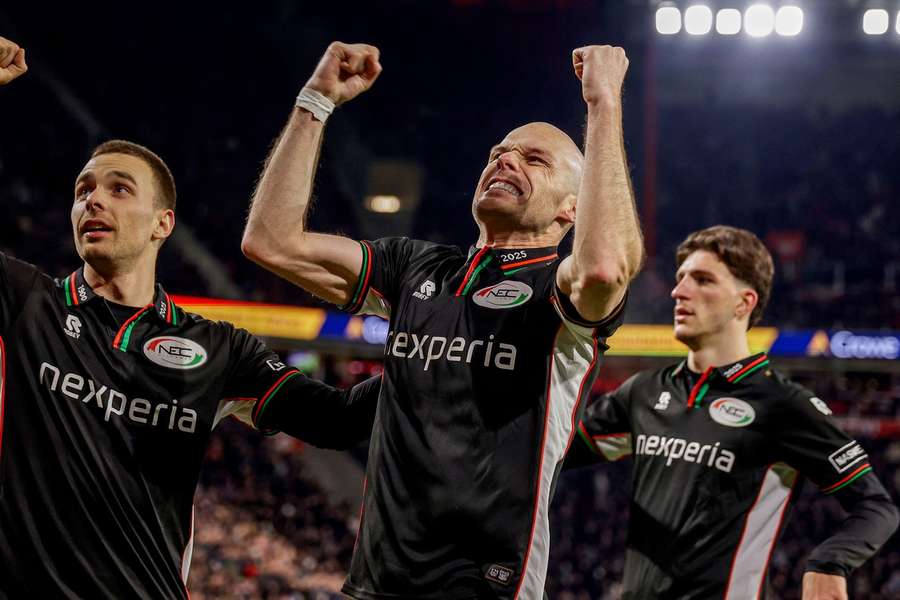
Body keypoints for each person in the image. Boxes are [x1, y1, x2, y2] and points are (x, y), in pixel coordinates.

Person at [242, 41, 644, 599]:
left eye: (534, 159)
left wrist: (603, 105)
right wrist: (316, 101)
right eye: (498, 152)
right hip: (373, 584)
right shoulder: (415, 266)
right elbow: (271, 242)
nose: (505, 160)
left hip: (484, 587)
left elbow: (603, 267)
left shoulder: (559, 293)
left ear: (570, 209)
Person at [0, 36, 379, 600]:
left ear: (163, 223)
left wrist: (432, 344)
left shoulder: (220, 350)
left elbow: (338, 421)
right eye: (83, 191)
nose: (92, 201)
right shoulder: (25, 302)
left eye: (119, 189)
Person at [568, 226, 899, 600]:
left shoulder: (784, 405)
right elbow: (549, 454)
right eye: (680, 278)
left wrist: (828, 562)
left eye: (702, 280)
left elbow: (877, 507)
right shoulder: (643, 392)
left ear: (744, 303)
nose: (679, 291)